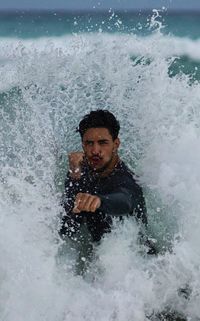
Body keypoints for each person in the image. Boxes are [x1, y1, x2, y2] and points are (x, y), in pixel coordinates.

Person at [59, 109, 156, 254]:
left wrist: (99, 201)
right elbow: (67, 227)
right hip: (100, 260)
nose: (95, 150)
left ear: (115, 144)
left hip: (137, 263)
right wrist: (75, 175)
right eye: (89, 143)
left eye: (102, 143)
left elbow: (125, 202)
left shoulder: (127, 179)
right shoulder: (82, 172)